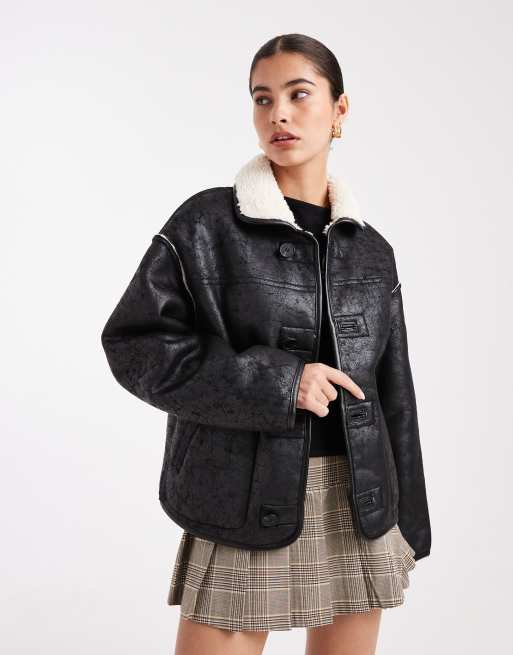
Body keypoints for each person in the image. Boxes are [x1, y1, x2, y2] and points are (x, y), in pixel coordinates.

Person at [101, 33, 431, 655]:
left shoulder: (371, 250)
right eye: (262, 98)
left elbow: (396, 392)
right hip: (242, 494)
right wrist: (281, 383)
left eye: (299, 94)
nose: (278, 113)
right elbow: (135, 344)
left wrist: (408, 519)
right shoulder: (207, 225)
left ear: (339, 109)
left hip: (360, 499)